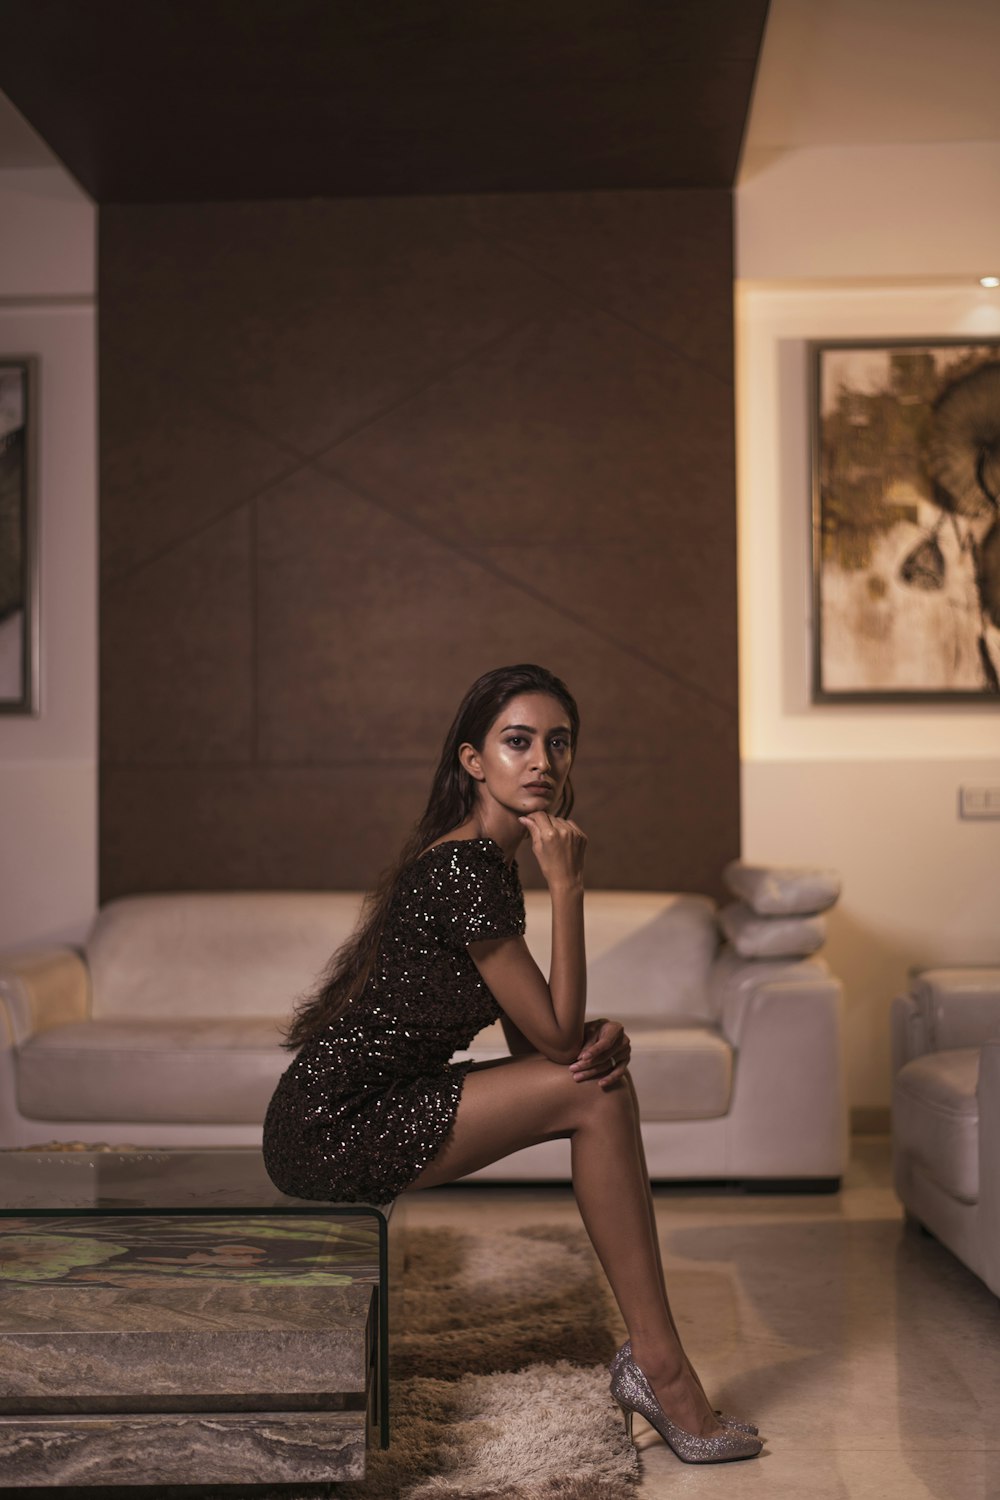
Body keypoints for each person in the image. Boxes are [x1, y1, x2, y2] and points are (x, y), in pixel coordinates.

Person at [263, 663, 761, 1464]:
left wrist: (597, 1033)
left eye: (559, 744)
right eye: (518, 742)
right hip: (334, 1125)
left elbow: (540, 1045)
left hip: (372, 1101)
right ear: (473, 762)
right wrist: (570, 887)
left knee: (599, 1082)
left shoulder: (482, 863)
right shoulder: (466, 869)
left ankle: (657, 1363)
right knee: (596, 1094)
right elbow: (557, 1052)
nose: (542, 762)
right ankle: (661, 1369)